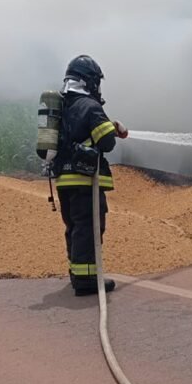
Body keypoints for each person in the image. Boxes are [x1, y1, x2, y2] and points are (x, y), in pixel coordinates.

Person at [52, 55, 128, 296]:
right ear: (89, 81)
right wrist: (113, 129)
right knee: (88, 228)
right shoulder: (90, 107)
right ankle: (87, 280)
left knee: (74, 227)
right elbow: (106, 143)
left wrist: (110, 128)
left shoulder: (61, 107)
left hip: (63, 180)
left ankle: (77, 273)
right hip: (85, 181)